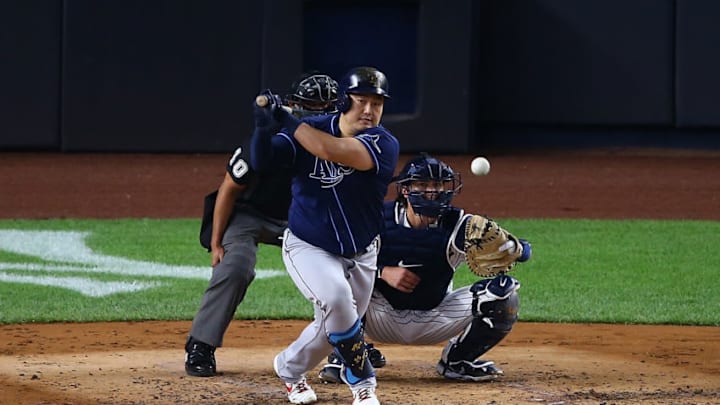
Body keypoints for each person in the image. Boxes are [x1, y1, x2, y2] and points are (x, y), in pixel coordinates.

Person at [251, 66, 399, 405]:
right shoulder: (308, 130)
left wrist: (286, 119)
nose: (369, 110)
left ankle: (288, 369)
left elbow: (330, 150)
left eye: (376, 104)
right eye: (361, 101)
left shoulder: (383, 143)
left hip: (363, 252)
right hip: (309, 246)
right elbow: (262, 163)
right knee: (336, 301)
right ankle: (363, 382)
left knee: (329, 328)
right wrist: (262, 126)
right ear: (345, 101)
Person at [318, 153, 531, 384]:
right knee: (337, 282)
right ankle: (347, 356)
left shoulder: (459, 225)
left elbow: (520, 253)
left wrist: (515, 248)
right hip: (379, 315)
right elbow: (336, 258)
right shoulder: (376, 219)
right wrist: (382, 272)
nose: (432, 191)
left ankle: (457, 361)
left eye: (438, 185)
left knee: (504, 295)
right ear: (406, 190)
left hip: (437, 317)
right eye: (423, 184)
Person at [184, 72, 339, 378]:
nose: (321, 113)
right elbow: (228, 189)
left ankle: (348, 343)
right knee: (235, 266)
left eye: (327, 106)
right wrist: (217, 244)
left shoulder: (338, 142)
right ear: (293, 106)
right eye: (313, 105)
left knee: (346, 263)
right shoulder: (268, 139)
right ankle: (200, 345)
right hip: (250, 215)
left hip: (301, 219)